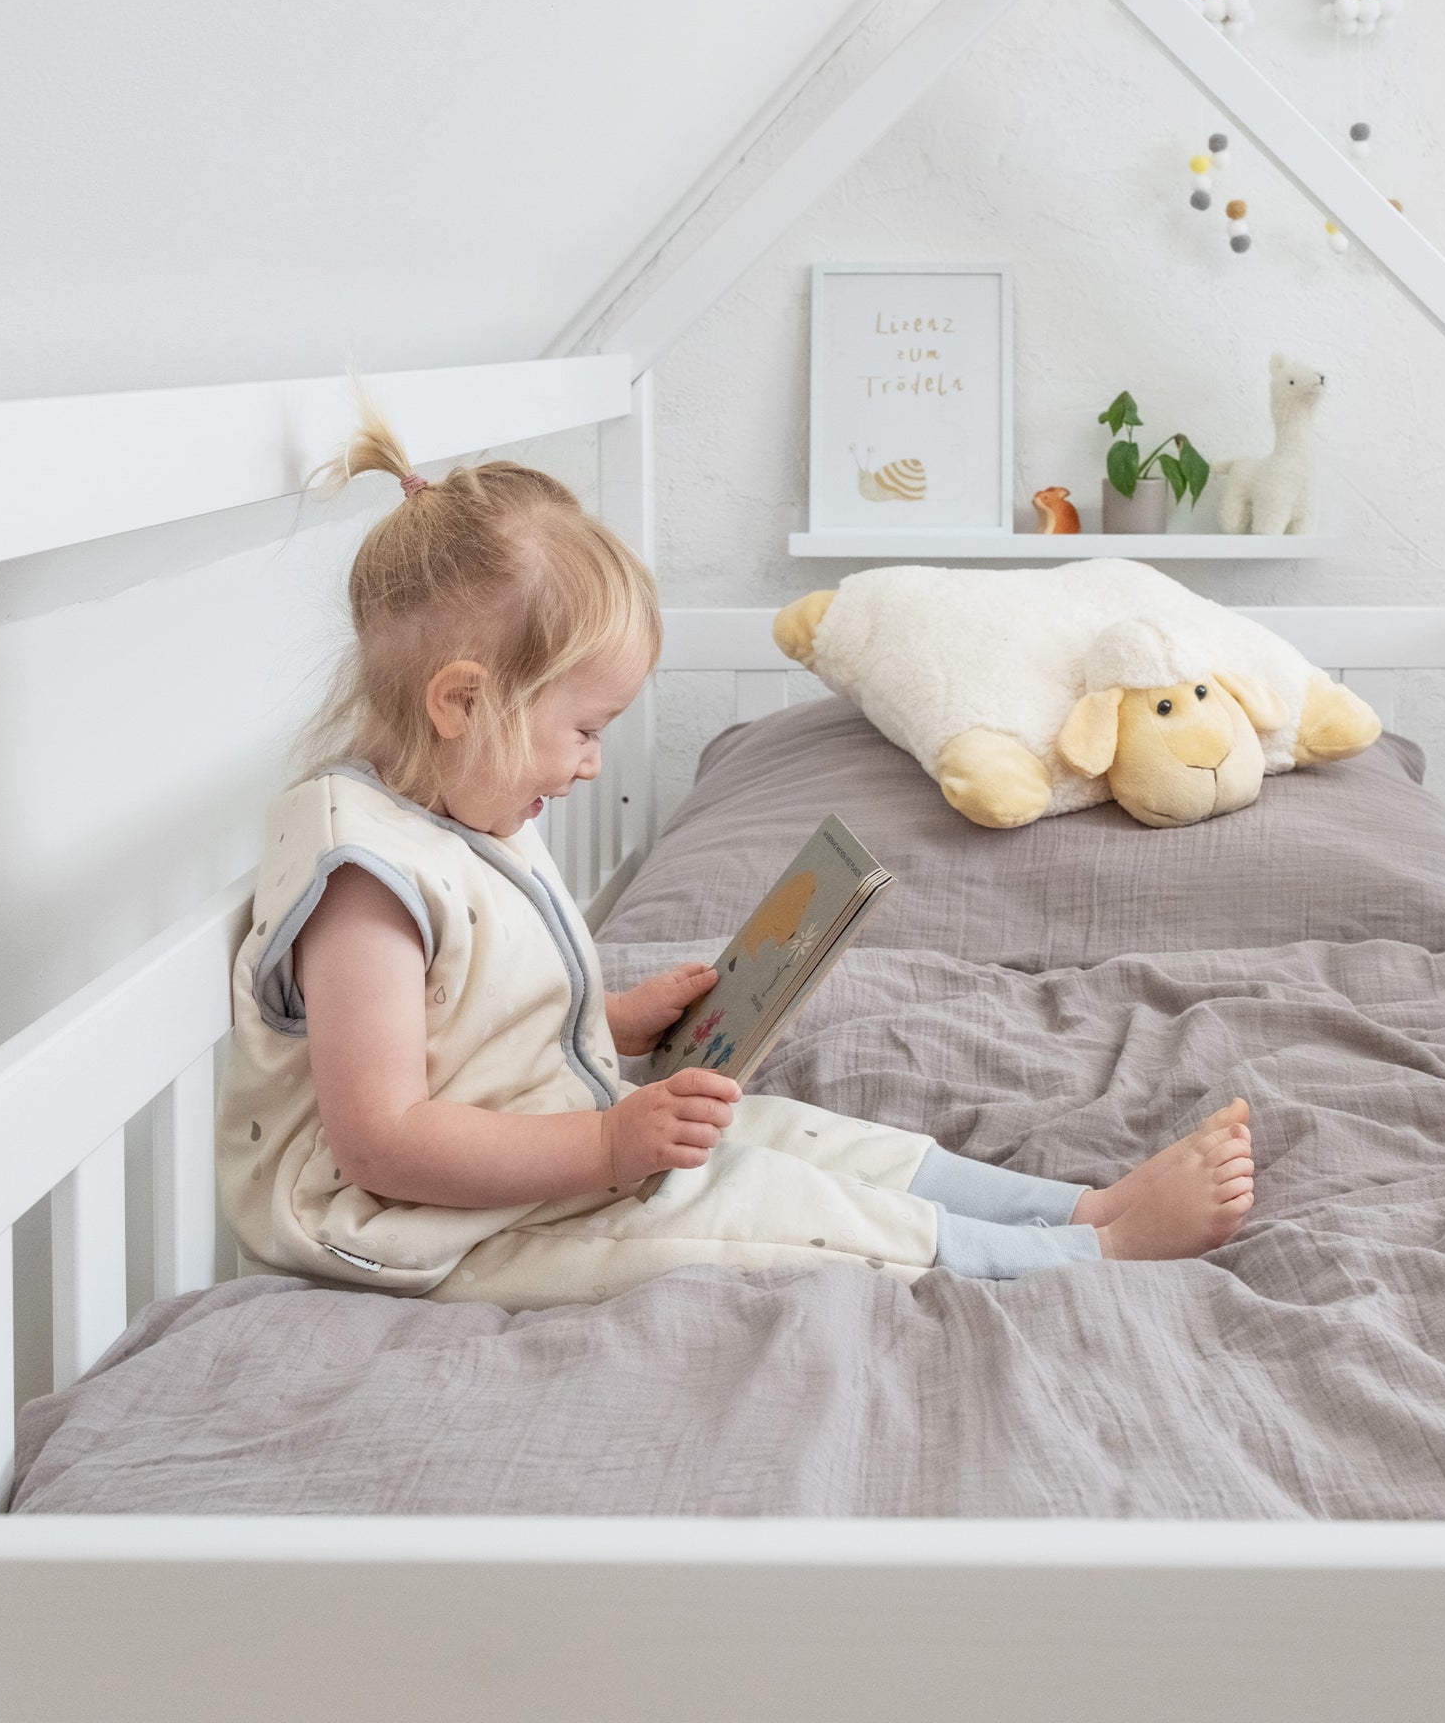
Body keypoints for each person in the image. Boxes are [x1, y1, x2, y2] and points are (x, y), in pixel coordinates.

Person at [216, 403, 1255, 1311]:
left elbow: (468, 1027)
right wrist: (605, 1149)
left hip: (530, 1152)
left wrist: (613, 1023)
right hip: (434, 1226)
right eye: (583, 728)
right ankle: (1094, 1254)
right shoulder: (363, 892)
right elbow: (383, 1142)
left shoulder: (466, 809)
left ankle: (1075, 1205)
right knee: (768, 1205)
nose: (590, 766)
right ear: (461, 702)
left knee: (797, 1136)